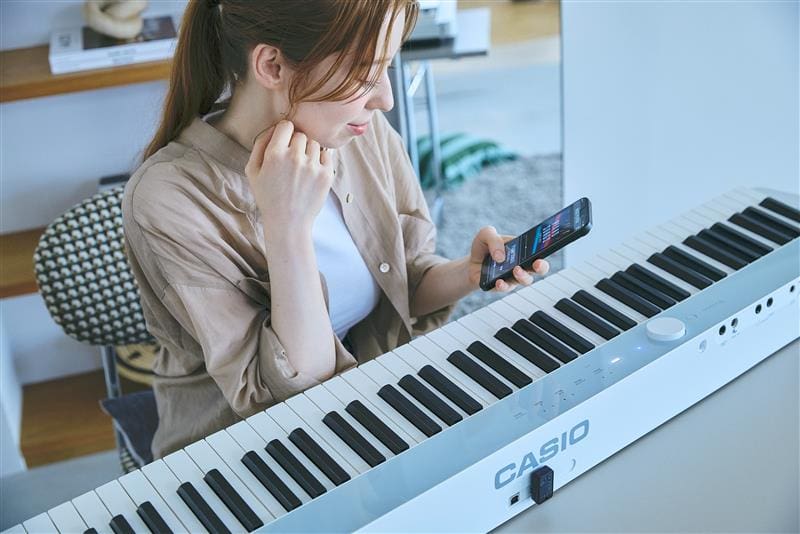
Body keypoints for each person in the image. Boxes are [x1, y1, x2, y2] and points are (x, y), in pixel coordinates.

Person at [122, 0, 549, 459]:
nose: (385, 97)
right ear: (272, 65)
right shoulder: (168, 198)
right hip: (243, 455)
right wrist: (287, 226)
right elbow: (291, 392)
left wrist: (466, 272)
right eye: (365, 72)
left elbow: (402, 283)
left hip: (370, 409)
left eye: (388, 65)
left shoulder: (360, 132)